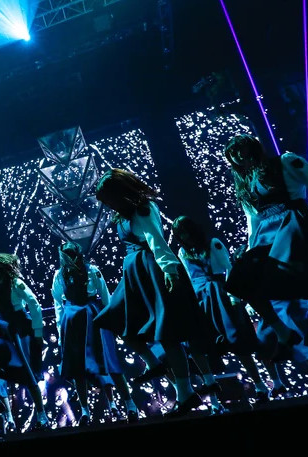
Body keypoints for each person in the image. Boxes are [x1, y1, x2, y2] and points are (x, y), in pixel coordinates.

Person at [93, 169, 223, 417]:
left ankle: (185, 393)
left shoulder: (143, 209)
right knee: (118, 323)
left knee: (168, 334)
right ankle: (156, 365)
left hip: (151, 270)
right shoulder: (122, 216)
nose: (108, 204)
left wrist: (170, 271)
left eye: (109, 198)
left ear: (120, 193)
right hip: (134, 275)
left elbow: (156, 241)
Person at [223, 134, 308, 353]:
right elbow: (252, 220)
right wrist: (251, 248)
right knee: (241, 280)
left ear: (252, 147)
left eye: (239, 149)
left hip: (294, 226)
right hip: (266, 235)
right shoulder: (245, 185)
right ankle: (283, 333)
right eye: (232, 154)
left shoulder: (284, 161)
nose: (237, 156)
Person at [172, 216, 272, 403]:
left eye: (186, 232)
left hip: (220, 296)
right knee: (201, 346)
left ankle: (260, 386)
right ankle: (213, 398)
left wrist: (234, 299)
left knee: (238, 341)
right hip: (200, 300)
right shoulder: (183, 252)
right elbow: (189, 277)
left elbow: (228, 269)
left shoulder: (213, 244)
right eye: (180, 234)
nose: (185, 237)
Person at [52, 241, 140, 424]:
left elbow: (106, 296)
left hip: (94, 317)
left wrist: (112, 321)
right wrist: (61, 331)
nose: (70, 257)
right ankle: (85, 411)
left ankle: (130, 405)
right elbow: (58, 304)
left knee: (109, 362)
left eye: (72, 253)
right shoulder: (59, 275)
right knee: (78, 367)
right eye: (66, 254)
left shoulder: (92, 270)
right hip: (72, 320)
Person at [0, 253, 49, 430]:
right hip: (2, 329)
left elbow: (34, 304)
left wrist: (38, 332)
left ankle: (42, 415)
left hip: (20, 328)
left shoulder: (15, 283)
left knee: (28, 374)